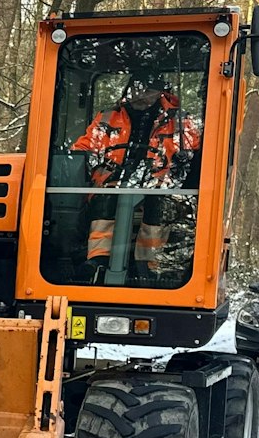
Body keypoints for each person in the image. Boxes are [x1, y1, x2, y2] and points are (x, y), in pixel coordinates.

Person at [71, 78, 202, 284]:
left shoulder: (180, 122)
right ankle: (97, 260)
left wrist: (174, 175)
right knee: (105, 199)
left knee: (157, 204)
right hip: (113, 180)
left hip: (160, 184)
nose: (140, 95)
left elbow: (193, 156)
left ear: (159, 92)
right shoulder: (109, 116)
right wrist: (80, 162)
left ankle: (147, 265)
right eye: (136, 89)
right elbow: (84, 148)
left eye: (146, 90)